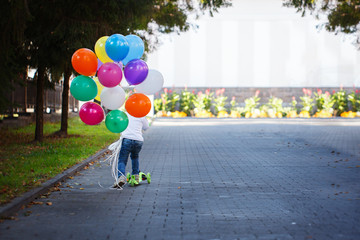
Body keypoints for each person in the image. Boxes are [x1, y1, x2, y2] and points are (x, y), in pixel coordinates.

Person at [113, 112, 149, 188]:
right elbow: (146, 127)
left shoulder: (124, 114)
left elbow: (118, 125)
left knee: (122, 159)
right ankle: (136, 176)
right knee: (135, 157)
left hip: (127, 139)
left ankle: (121, 177)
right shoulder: (140, 114)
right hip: (138, 140)